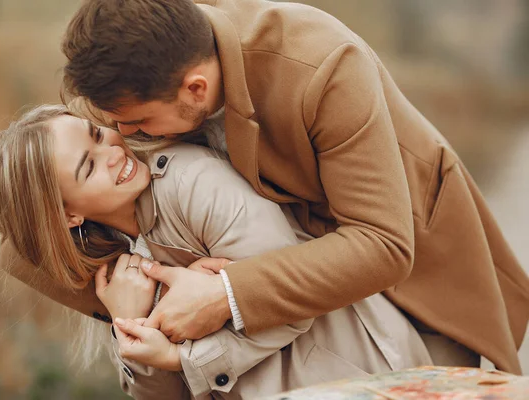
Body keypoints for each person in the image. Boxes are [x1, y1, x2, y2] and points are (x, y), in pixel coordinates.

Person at [48, 0, 529, 374]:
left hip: (416, 274)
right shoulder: (138, 74)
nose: (123, 138)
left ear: (195, 89)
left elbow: (383, 246)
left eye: (137, 123)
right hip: (295, 298)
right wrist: (132, 300)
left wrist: (222, 295)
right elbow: (24, 231)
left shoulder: (325, 66)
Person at [0, 105, 433, 399]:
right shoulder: (115, 270)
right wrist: (133, 326)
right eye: (88, 166)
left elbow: (295, 302)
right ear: (69, 216)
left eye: (96, 135)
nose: (111, 151)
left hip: (357, 378)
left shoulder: (192, 181)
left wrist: (183, 356)